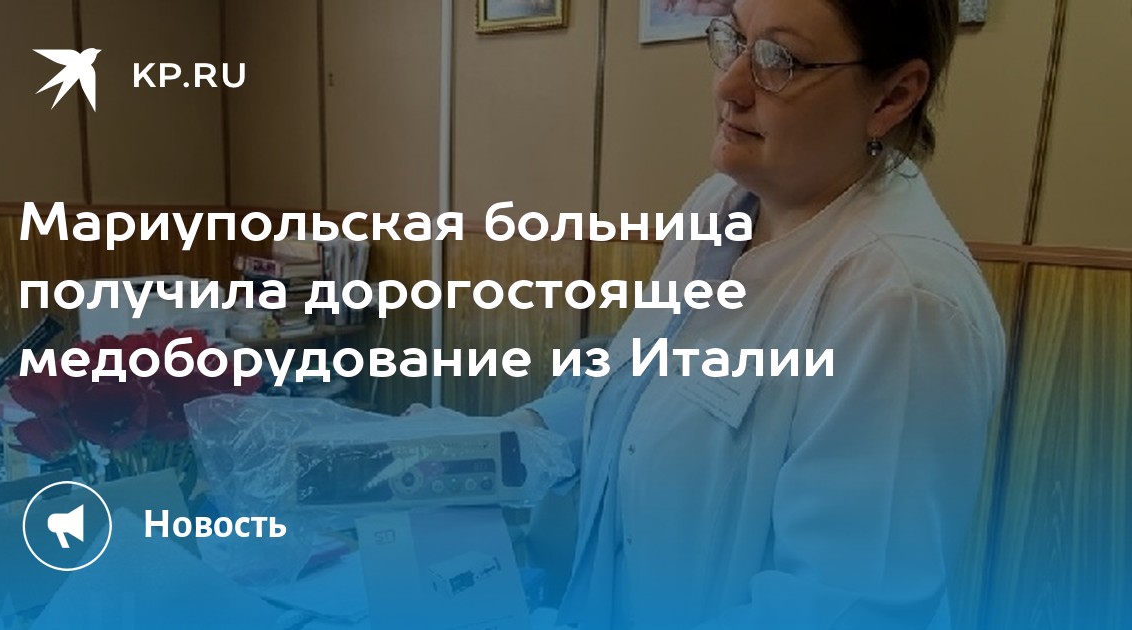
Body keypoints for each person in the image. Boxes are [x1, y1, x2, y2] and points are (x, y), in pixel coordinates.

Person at [421, 0, 1006, 627]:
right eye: (735, 39)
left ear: (893, 95)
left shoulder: (902, 301)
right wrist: (517, 434)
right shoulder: (720, 207)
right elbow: (649, 383)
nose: (729, 85)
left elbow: (842, 606)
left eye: (780, 59)